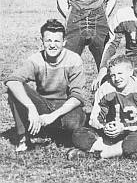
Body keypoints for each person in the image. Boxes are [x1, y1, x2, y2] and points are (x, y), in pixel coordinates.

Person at [5, 19, 86, 152]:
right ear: (42, 41)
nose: (52, 45)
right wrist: (31, 108)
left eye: (57, 41)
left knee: (75, 122)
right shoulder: (36, 59)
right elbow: (12, 80)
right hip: (43, 104)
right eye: (48, 41)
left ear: (64, 42)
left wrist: (53, 116)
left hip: (64, 106)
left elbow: (77, 97)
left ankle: (56, 132)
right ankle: (23, 138)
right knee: (15, 88)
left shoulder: (74, 59)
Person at [68, 56, 137, 159]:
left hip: (135, 132)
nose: (116, 78)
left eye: (120, 73)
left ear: (131, 72)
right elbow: (94, 119)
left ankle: (98, 154)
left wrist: (124, 128)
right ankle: (117, 150)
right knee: (79, 134)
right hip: (111, 134)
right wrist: (105, 126)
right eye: (112, 75)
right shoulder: (105, 89)